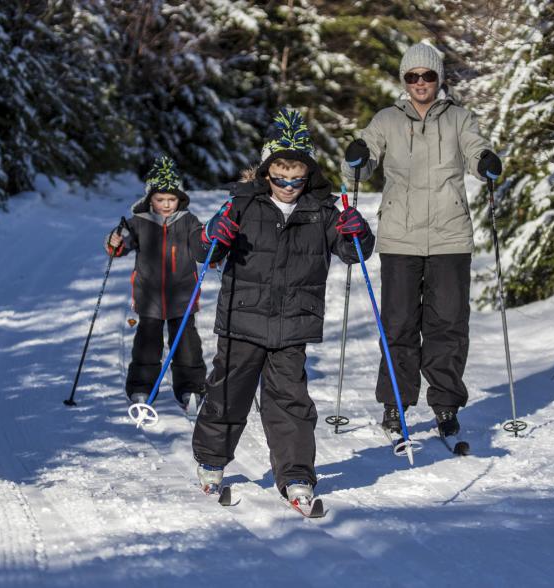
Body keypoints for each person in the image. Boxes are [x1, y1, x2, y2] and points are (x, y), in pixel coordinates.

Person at [190, 109, 375, 508]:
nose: (288, 186)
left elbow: (351, 251)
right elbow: (206, 251)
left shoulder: (322, 210)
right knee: (227, 393)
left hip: (293, 323)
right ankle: (210, 460)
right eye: (280, 178)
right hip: (242, 318)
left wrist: (358, 233)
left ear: (308, 174)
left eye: (297, 178)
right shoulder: (241, 205)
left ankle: (295, 475)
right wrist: (211, 236)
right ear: (265, 173)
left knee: (290, 402)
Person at [340, 42, 504, 439]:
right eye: (412, 76)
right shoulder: (386, 119)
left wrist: (485, 161)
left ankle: (445, 405)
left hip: (450, 237)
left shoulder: (460, 118)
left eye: (427, 75)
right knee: (398, 325)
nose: (420, 83)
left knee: (447, 324)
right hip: (399, 237)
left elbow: (474, 149)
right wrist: (357, 154)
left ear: (438, 79)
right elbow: (359, 166)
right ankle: (395, 404)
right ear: (404, 81)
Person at [106, 156, 207, 409]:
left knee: (187, 346)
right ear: (149, 199)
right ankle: (141, 387)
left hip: (183, 297)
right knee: (146, 345)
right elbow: (121, 246)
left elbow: (200, 246)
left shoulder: (189, 221)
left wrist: (208, 241)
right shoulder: (139, 222)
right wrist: (115, 241)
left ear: (180, 199)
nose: (166, 205)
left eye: (171, 200)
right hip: (149, 298)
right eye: (160, 199)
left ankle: (191, 388)